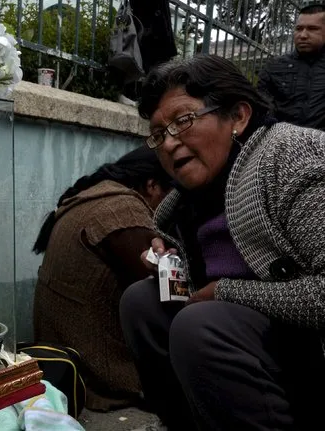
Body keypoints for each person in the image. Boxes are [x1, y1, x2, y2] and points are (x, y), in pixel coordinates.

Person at [120, 54, 325, 431]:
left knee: (200, 326)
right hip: (260, 342)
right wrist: (169, 260)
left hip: (312, 353)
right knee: (143, 302)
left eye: (183, 121)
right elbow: (218, 263)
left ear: (239, 116)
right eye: (158, 133)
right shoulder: (186, 201)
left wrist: (228, 292)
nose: (168, 143)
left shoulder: (290, 156)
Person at [32, 146, 171, 411]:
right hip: (97, 369)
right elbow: (165, 295)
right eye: (174, 194)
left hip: (64, 352)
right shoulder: (122, 211)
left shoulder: (97, 195)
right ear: (152, 185)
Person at [257, 1, 325, 130]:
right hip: (281, 142)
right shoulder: (274, 67)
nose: (303, 35)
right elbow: (261, 106)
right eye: (299, 29)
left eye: (312, 29)